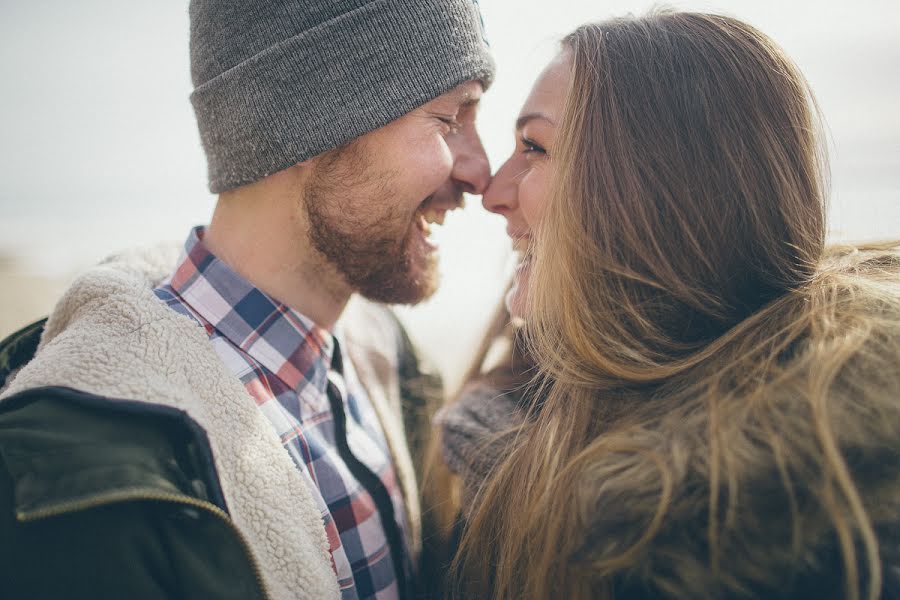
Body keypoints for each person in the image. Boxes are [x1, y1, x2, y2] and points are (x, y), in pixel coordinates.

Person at [0, 1, 492, 598]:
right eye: (447, 121)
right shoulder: (78, 473)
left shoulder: (392, 369)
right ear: (311, 119)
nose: (481, 172)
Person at [437, 10, 900, 600]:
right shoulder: (499, 432)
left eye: (535, 146)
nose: (494, 193)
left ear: (655, 189)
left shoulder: (789, 538)